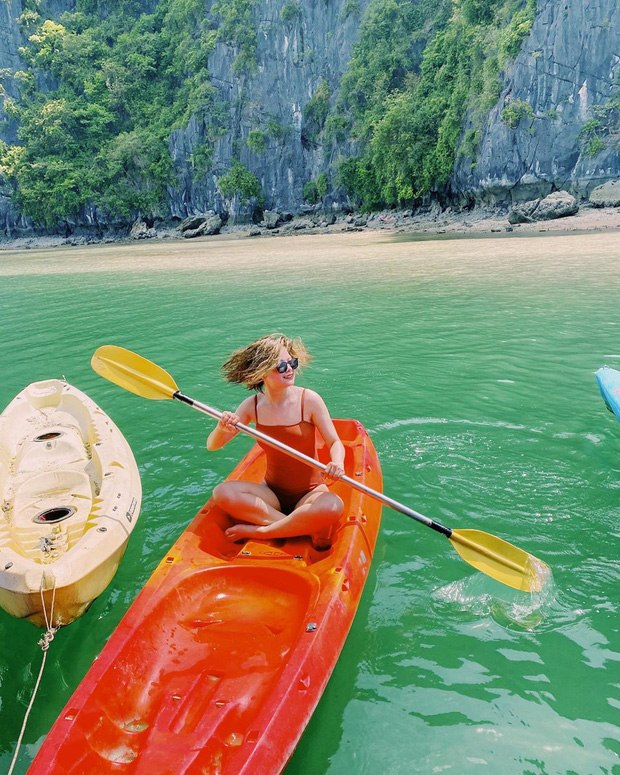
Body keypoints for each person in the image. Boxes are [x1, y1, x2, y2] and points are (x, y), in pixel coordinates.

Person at [207, 333, 345, 547]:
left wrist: (337, 463)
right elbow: (213, 445)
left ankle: (262, 532)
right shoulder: (251, 405)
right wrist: (221, 426)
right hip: (271, 493)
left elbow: (335, 442)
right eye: (280, 366)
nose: (289, 369)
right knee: (222, 493)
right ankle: (298, 528)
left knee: (333, 505)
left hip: (310, 493)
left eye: (292, 362)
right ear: (260, 373)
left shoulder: (308, 400)